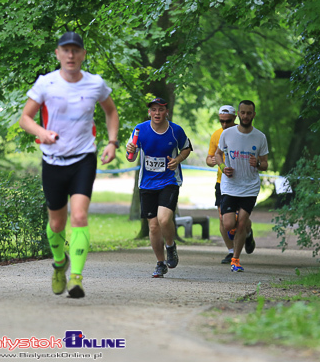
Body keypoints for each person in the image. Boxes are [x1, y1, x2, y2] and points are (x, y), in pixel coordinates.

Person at [19, 31, 120, 298]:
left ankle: (76, 277)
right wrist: (42, 133)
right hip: (53, 160)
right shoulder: (46, 84)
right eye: (66, 50)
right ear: (58, 54)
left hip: (83, 158)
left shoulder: (95, 84)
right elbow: (25, 119)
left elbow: (111, 111)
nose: (71, 55)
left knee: (79, 216)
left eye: (76, 50)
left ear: (83, 54)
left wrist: (111, 142)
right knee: (56, 224)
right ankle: (60, 264)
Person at [126, 97, 193, 278]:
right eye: (154, 110)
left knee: (164, 219)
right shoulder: (140, 129)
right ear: (149, 112)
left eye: (160, 110)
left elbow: (186, 148)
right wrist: (130, 148)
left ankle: (170, 246)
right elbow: (130, 157)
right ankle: (160, 263)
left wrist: (177, 160)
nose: (157, 113)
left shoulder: (175, 131)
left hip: (169, 181)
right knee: (153, 226)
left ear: (166, 111)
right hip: (147, 183)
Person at [215, 100, 268, 272]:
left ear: (254, 115)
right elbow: (218, 155)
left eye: (249, 113)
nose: (245, 116)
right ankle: (248, 232)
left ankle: (236, 260)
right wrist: (223, 168)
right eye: (243, 113)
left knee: (242, 222)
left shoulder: (260, 137)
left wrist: (258, 162)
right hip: (230, 185)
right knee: (228, 223)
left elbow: (265, 163)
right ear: (238, 114)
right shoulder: (227, 134)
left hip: (250, 186)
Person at [206, 105, 240, 264]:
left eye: (228, 121)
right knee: (222, 219)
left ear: (235, 118)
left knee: (240, 219)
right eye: (221, 121)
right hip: (222, 183)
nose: (224, 125)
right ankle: (231, 252)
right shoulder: (216, 135)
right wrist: (211, 161)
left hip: (241, 182)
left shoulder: (242, 134)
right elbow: (209, 158)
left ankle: (247, 233)